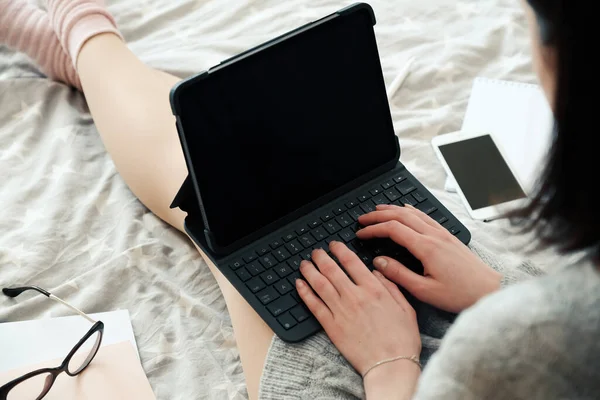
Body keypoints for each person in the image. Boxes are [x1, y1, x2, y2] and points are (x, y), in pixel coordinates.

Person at [1, 0, 598, 398]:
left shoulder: (520, 345)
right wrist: (499, 292)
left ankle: (84, 35)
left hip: (403, 375)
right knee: (256, 199)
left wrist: (389, 366)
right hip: (510, 316)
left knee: (211, 211)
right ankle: (85, 44)